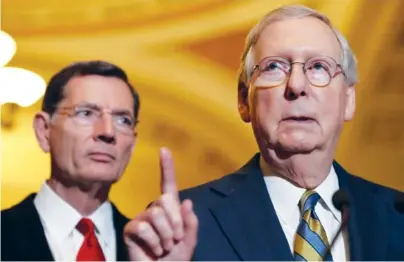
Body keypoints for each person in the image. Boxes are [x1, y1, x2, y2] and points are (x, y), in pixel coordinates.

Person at [123, 4, 404, 261]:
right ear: (244, 100)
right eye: (274, 67)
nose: (296, 85)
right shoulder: (185, 225)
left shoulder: (397, 216)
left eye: (318, 67)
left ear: (349, 101)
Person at [1, 60, 140, 261]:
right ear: (44, 131)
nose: (108, 132)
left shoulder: (152, 250)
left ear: (133, 144)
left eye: (123, 120)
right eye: (86, 113)